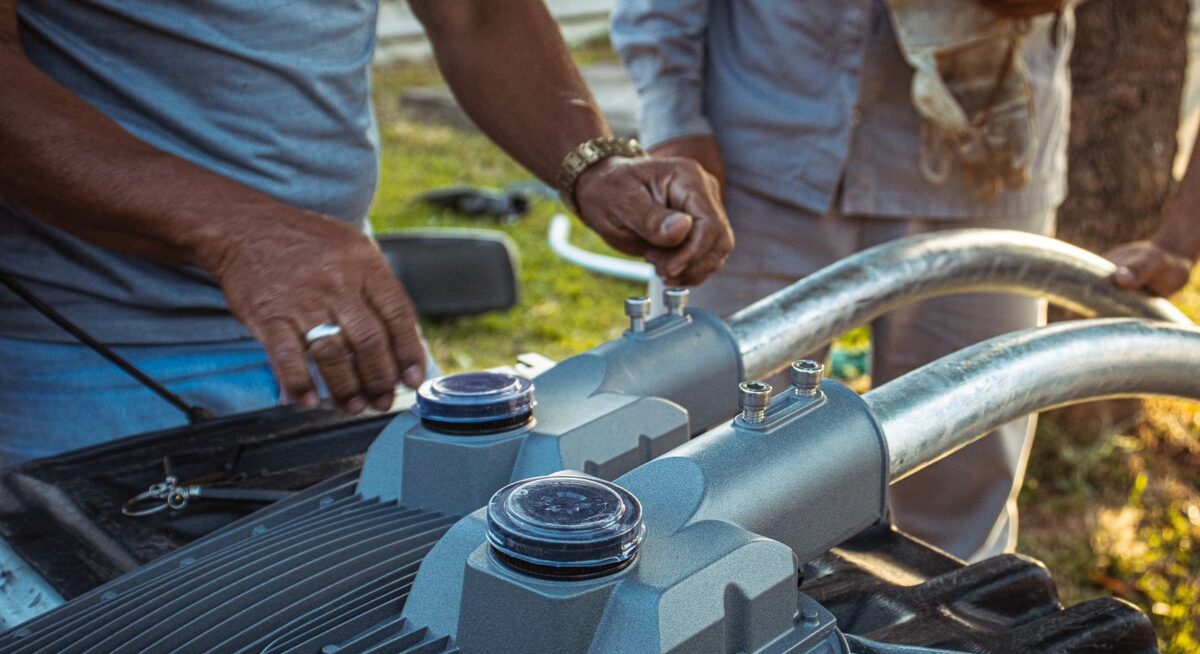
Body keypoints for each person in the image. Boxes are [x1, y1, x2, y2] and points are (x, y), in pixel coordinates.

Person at [0, 0, 733, 466]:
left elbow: (476, 14)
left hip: (338, 343)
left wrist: (590, 164)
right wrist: (239, 234)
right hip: (81, 360)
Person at [615, 0, 1197, 560]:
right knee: (688, 466)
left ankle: (942, 644)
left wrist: (1180, 239)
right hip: (755, 157)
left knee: (956, 493)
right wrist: (674, 121)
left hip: (981, 169)